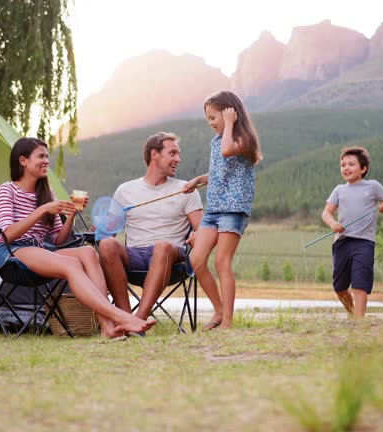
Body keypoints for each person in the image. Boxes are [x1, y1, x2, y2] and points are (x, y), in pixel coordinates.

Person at [0, 137, 155, 339]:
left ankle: (107, 327)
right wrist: (43, 210)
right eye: (40, 156)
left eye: (47, 156)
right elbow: (6, 234)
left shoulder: (47, 192)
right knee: (71, 264)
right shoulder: (7, 189)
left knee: (87, 252)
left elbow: (58, 241)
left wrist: (71, 213)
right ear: (23, 160)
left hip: (41, 251)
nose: (46, 161)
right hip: (12, 252)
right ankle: (121, 317)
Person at [98, 132, 206, 331]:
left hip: (172, 258)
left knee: (162, 246)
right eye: (172, 153)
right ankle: (125, 316)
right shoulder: (125, 190)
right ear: (154, 154)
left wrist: (197, 235)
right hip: (135, 256)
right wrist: (100, 230)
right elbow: (107, 234)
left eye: (178, 154)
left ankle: (138, 319)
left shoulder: (186, 189)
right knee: (106, 245)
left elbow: (203, 231)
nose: (178, 159)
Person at [184, 91, 262, 330]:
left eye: (213, 117)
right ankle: (218, 311)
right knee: (196, 259)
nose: (210, 123)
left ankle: (227, 321)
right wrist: (199, 178)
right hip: (214, 209)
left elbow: (228, 151)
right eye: (208, 119)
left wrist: (228, 124)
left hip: (233, 209)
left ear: (230, 112)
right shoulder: (217, 141)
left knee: (222, 262)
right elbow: (221, 169)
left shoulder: (243, 140)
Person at [321, 146, 383, 318]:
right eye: (343, 165)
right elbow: (326, 213)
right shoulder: (339, 190)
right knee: (339, 288)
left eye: (351, 164)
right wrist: (333, 223)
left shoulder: (373, 186)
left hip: (364, 242)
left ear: (363, 169)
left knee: (360, 283)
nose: (346, 168)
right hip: (342, 242)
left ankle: (359, 322)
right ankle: (353, 313)